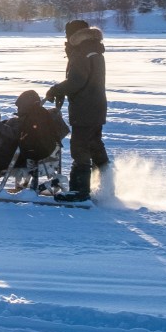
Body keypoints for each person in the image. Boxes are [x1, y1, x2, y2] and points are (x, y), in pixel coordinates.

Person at [46, 20, 108, 201]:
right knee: (94, 144)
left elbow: (77, 81)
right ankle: (106, 185)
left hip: (85, 107)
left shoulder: (81, 52)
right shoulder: (93, 49)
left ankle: (79, 190)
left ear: (73, 36)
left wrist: (56, 90)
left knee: (80, 146)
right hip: (96, 105)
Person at [0, 89, 68, 187]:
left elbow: (11, 136)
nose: (18, 110)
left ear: (24, 107)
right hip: (47, 160)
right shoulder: (46, 119)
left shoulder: (24, 123)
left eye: (19, 107)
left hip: (19, 161)